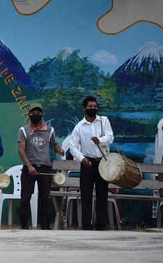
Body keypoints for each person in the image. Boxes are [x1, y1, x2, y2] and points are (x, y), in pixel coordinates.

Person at [69, 95, 114, 230]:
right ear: (84, 108)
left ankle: (101, 225)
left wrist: (100, 140)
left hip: (102, 163)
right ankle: (87, 225)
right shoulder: (79, 127)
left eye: (95, 107)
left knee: (102, 195)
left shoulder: (104, 121)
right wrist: (82, 159)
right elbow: (73, 147)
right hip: (87, 163)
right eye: (90, 107)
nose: (93, 109)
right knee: (86, 195)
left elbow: (110, 136)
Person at [17, 103, 64, 230]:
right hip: (29, 168)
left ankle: (45, 227)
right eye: (33, 113)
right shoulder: (23, 130)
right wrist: (29, 166)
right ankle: (24, 227)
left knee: (44, 199)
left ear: (42, 114)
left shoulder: (50, 130)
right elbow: (21, 150)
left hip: (45, 168)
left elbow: (54, 145)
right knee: (25, 198)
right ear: (29, 114)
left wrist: (59, 150)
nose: (35, 115)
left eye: (38, 112)